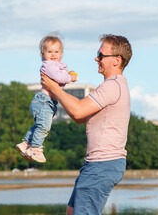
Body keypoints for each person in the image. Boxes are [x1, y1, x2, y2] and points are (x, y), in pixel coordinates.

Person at [41, 34, 132, 214]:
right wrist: (55, 92)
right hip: (97, 164)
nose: (96, 58)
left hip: (103, 163)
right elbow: (80, 117)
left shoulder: (112, 86)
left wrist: (54, 88)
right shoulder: (112, 86)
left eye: (101, 55)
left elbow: (78, 110)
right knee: (72, 210)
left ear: (116, 60)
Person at [16, 34, 77, 163]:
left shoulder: (55, 65)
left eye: (56, 52)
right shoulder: (49, 65)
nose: (53, 55)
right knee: (44, 127)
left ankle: (25, 143)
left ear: (62, 53)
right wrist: (69, 78)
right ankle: (35, 149)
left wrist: (67, 73)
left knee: (39, 125)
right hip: (44, 100)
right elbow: (59, 77)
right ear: (43, 53)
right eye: (50, 52)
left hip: (45, 101)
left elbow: (59, 76)